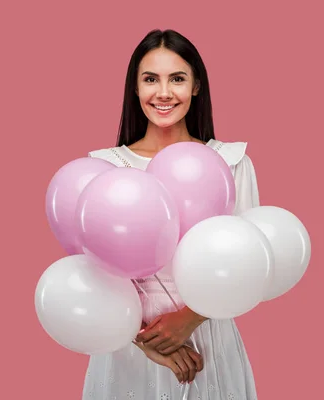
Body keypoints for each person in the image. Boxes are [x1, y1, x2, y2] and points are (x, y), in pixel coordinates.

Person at [83, 29, 260, 400]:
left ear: (196, 86)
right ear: (135, 88)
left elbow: (249, 263)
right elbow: (90, 275)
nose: (163, 93)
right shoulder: (102, 168)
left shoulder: (231, 163)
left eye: (177, 78)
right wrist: (143, 341)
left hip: (208, 345)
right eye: (150, 79)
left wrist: (188, 320)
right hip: (127, 349)